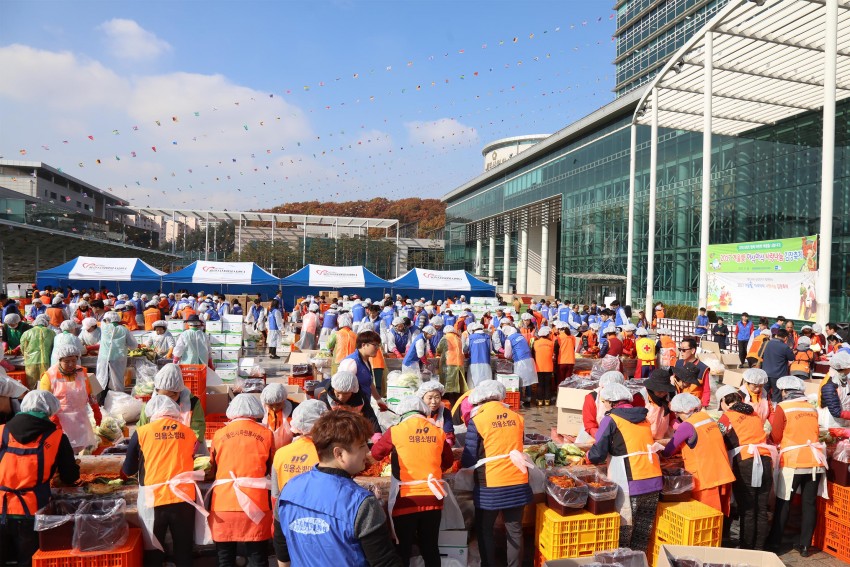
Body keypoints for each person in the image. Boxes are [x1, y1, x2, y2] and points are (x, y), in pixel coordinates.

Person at [277, 410, 402, 566]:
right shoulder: (361, 503)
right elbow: (385, 562)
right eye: (362, 446)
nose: (367, 451)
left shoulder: (288, 490)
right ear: (339, 453)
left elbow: (283, 555)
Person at [371, 395, 455, 566]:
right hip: (433, 498)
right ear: (423, 412)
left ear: (402, 413)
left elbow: (376, 454)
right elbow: (447, 461)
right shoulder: (438, 432)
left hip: (405, 499)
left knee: (403, 549)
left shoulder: (396, 430)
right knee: (430, 547)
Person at [0, 391, 80, 567]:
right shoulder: (57, 437)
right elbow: (70, 476)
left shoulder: (2, 431)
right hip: (32, 511)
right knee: (28, 561)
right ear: (50, 411)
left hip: (1, 506)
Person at [122, 396, 201, 567]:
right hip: (183, 498)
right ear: (174, 412)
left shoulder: (142, 432)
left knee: (153, 550)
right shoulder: (189, 432)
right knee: (183, 549)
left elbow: (128, 469)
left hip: (153, 499)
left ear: (151, 412)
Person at [461, 380, 531, 567]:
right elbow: (518, 445)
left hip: (490, 484)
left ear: (479, 400)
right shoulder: (517, 417)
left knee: (485, 529)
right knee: (514, 530)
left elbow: (469, 457)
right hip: (518, 479)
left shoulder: (479, 420)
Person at [587, 383, 662, 554]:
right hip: (653, 479)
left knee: (624, 533)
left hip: (631, 481)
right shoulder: (643, 417)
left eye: (605, 402)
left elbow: (598, 453)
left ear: (612, 402)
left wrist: (587, 456)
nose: (604, 405)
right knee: (642, 534)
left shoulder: (611, 419)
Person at [208, 394, 274, 567]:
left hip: (223, 504)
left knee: (225, 559)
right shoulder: (266, 434)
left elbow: (212, 467)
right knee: (258, 558)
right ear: (256, 411)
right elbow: (270, 468)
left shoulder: (219, 434)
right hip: (256, 505)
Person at [767, 376, 826, 557]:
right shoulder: (811, 408)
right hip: (815, 462)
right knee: (809, 504)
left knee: (784, 502)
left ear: (785, 391)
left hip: (793, 462)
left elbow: (776, 436)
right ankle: (805, 545)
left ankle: (775, 543)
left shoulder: (783, 407)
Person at [716, 385, 774, 550]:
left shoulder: (727, 417)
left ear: (723, 401)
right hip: (765, 459)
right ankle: (759, 548)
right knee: (761, 508)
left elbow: (719, 438)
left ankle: (746, 548)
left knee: (747, 508)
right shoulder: (753, 412)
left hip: (746, 462)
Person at [270, 400, 328, 566]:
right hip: (318, 520)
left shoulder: (282, 453)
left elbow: (275, 494)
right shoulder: (326, 453)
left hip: (288, 519)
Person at [663, 393, 735, 514]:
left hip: (705, 478)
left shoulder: (687, 425)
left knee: (706, 516)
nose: (677, 416)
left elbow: (668, 451)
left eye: (677, 413)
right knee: (719, 516)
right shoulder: (707, 418)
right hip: (722, 473)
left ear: (685, 411)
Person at [38, 344, 100, 452]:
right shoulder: (48, 377)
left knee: (83, 451)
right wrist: (53, 419)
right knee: (63, 451)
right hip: (60, 422)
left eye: (74, 361)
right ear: (59, 360)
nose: (71, 364)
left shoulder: (83, 372)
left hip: (81, 420)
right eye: (67, 361)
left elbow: (91, 395)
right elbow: (43, 403)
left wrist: (96, 410)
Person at [136, 364, 206, 444]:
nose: (166, 401)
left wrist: (194, 443)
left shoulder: (192, 403)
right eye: (162, 397)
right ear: (157, 391)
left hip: (185, 444)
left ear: (178, 392)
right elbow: (141, 429)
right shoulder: (149, 406)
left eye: (170, 397)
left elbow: (198, 428)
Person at [318, 370, 382, 439]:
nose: (341, 397)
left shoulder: (360, 397)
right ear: (334, 389)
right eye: (338, 393)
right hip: (333, 432)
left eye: (346, 393)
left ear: (353, 391)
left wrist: (376, 434)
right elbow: (323, 423)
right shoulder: (324, 397)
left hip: (353, 431)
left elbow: (370, 415)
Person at [95, 311, 138, 404]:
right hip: (118, 359)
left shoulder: (104, 328)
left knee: (103, 379)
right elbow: (133, 345)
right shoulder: (124, 330)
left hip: (104, 358)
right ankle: (117, 402)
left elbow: (102, 322)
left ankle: (102, 402)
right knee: (117, 381)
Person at [503, 326, 538, 407]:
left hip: (520, 361)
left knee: (519, 380)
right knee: (528, 380)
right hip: (529, 359)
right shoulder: (521, 336)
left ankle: (520, 399)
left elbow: (507, 355)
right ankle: (528, 398)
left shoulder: (509, 339)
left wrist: (509, 356)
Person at [19, 314, 55, 390]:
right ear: (46, 324)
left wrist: (25, 355)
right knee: (46, 383)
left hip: (31, 362)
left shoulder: (27, 333)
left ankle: (34, 399)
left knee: (32, 384)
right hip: (46, 360)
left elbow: (23, 347)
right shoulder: (52, 333)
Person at [417, 380, 456, 446]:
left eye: (437, 397)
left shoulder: (445, 412)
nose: (433, 402)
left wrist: (448, 443)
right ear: (422, 398)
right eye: (430, 398)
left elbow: (448, 432)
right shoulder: (417, 413)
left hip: (439, 445)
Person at [674, 339, 711, 408]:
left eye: (684, 350)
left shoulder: (702, 368)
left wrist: (704, 405)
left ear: (693, 350)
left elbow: (706, 390)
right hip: (679, 403)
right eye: (680, 349)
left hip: (694, 405)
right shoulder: (678, 363)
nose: (681, 352)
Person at [761, 329, 795, 403]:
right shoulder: (785, 347)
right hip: (778, 375)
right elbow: (792, 358)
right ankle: (774, 411)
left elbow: (760, 354)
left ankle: (762, 409)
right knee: (776, 395)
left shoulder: (766, 343)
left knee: (763, 394)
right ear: (785, 338)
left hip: (765, 373)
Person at [818, 351, 850, 428]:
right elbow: (835, 411)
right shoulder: (829, 384)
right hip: (832, 422)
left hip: (845, 419)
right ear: (843, 367)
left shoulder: (844, 379)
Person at [644, 369, 677, 440]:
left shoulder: (667, 398)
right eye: (659, 391)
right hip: (646, 439)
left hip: (662, 438)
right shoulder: (642, 398)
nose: (663, 393)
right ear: (652, 388)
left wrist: (678, 426)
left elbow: (672, 418)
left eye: (665, 391)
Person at [435, 325, 465, 402]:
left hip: (449, 362)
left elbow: (439, 349)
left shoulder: (445, 338)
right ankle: (456, 400)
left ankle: (446, 400)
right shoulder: (458, 338)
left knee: (447, 383)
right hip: (459, 363)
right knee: (457, 383)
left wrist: (437, 354)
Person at [261, 383, 294, 450]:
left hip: (288, 450)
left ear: (284, 400)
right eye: (271, 405)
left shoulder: (293, 410)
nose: (274, 408)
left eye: (278, 405)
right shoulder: (261, 411)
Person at [532, 326, 555, 406]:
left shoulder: (535, 343)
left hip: (538, 367)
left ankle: (540, 400)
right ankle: (547, 400)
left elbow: (533, 354)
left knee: (540, 384)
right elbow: (552, 353)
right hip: (549, 367)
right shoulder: (551, 343)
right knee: (548, 384)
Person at [465, 323, 492, 389]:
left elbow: (465, 350)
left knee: (473, 384)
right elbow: (490, 350)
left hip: (474, 363)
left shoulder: (470, 338)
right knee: (486, 384)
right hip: (486, 363)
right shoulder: (488, 337)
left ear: (473, 330)